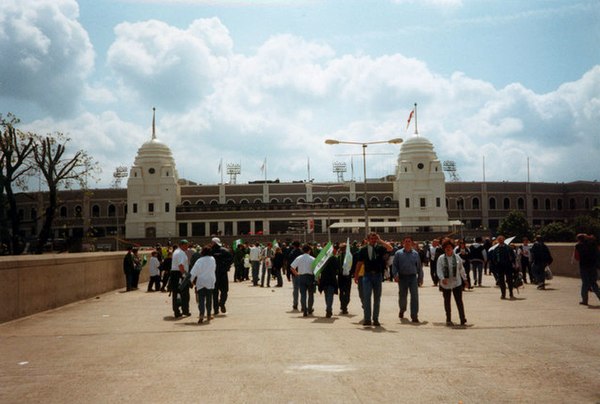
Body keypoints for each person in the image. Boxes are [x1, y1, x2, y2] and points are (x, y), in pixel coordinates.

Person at [355, 232, 393, 327]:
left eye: (375, 239)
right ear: (368, 239)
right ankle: (367, 319)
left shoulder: (380, 248)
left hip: (378, 275)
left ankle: (375, 319)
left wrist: (380, 241)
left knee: (377, 298)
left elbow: (390, 248)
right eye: (371, 238)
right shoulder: (363, 250)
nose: (373, 240)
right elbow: (359, 263)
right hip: (367, 276)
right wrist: (356, 275)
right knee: (366, 298)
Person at [392, 236, 423, 323]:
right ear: (403, 243)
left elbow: (419, 267)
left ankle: (414, 316)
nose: (407, 243)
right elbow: (394, 265)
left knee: (414, 297)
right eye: (406, 241)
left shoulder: (415, 254)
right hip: (402, 277)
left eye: (409, 241)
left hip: (413, 277)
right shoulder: (398, 253)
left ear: (412, 243)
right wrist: (395, 275)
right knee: (402, 296)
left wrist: (420, 277)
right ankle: (402, 310)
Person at [437, 238, 468, 326]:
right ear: (444, 248)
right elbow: (439, 270)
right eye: (446, 247)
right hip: (445, 284)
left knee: (459, 301)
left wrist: (465, 280)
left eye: (450, 247)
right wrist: (442, 278)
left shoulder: (457, 257)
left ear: (452, 248)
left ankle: (462, 318)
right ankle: (448, 319)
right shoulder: (441, 258)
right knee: (447, 302)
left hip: (456, 282)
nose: (448, 249)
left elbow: (461, 269)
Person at [190, 245, 216, 324]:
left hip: (201, 282)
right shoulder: (212, 259)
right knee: (209, 299)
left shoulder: (199, 260)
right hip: (210, 281)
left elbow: (193, 272)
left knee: (201, 300)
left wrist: (191, 281)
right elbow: (214, 269)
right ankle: (208, 315)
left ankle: (201, 314)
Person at [574, 234, 600, 306]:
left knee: (585, 283)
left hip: (584, 266)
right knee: (594, 283)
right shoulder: (593, 244)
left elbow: (577, 257)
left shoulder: (578, 246)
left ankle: (585, 300)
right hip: (593, 266)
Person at [289, 244, 316, 317]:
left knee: (303, 294)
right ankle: (310, 309)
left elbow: (292, 267)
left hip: (301, 277)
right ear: (309, 250)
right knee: (311, 294)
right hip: (310, 277)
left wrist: (297, 274)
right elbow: (316, 269)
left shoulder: (299, 258)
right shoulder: (312, 259)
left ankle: (304, 309)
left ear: (302, 250)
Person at [210, 237, 233, 315]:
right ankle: (222, 303)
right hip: (223, 274)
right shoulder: (225, 251)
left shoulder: (210, 251)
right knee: (224, 291)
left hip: (214, 274)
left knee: (215, 293)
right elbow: (231, 260)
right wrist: (226, 267)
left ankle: (216, 309)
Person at [169, 240, 191, 318]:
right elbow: (181, 266)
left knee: (176, 294)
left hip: (175, 274)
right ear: (182, 245)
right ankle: (185, 310)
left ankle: (177, 311)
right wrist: (186, 275)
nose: (187, 247)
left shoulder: (176, 252)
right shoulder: (181, 253)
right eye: (186, 245)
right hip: (180, 275)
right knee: (184, 294)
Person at [318, 246, 340, 318]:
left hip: (324, 279)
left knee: (326, 295)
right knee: (330, 295)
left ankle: (328, 308)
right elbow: (338, 269)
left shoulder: (322, 259)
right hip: (332, 279)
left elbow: (318, 269)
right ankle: (329, 309)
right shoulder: (334, 258)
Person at [493, 235, 516, 299]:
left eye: (501, 239)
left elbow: (513, 257)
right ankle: (503, 294)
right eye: (499, 239)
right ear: (497, 240)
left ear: (504, 240)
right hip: (500, 267)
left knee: (509, 280)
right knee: (501, 281)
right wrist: (496, 264)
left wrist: (513, 264)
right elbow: (493, 258)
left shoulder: (508, 248)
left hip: (508, 266)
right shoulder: (496, 249)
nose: (500, 240)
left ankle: (511, 293)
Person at [337, 242, 353, 315]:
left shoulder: (338, 256)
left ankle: (343, 305)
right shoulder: (350, 256)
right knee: (347, 291)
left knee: (341, 291)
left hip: (341, 276)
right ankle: (344, 306)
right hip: (347, 276)